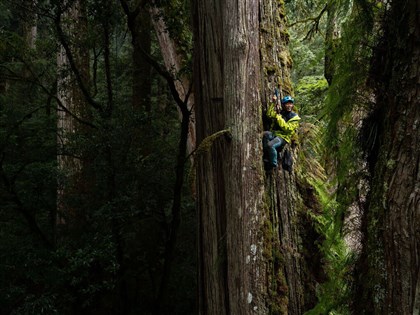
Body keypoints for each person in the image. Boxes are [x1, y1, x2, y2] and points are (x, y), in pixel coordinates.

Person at [263, 95, 301, 169]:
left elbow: (287, 128)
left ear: (292, 105)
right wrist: (273, 103)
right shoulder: (280, 113)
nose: (289, 106)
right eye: (287, 104)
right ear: (283, 105)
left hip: (283, 137)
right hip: (274, 134)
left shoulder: (294, 117)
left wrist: (278, 117)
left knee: (271, 145)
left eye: (290, 104)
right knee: (265, 134)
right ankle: (267, 156)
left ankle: (273, 163)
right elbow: (269, 114)